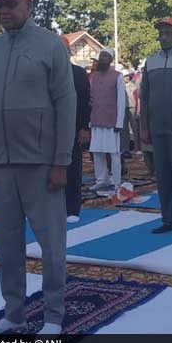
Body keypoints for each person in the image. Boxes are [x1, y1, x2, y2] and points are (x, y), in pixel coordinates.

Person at [0, 0, 76, 335]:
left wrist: (62, 161)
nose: (3, 10)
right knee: (7, 246)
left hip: (41, 165)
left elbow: (66, 105)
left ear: (28, 6)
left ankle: (53, 317)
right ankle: (14, 314)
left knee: (52, 246)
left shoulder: (50, 46)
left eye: (11, 3)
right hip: (1, 166)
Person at [140, 17, 172, 237]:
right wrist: (144, 127)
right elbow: (145, 97)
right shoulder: (150, 62)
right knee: (162, 177)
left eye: (168, 33)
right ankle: (168, 219)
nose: (163, 37)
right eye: (160, 33)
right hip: (157, 129)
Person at [89, 48, 126, 196]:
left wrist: (119, 123)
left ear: (110, 60)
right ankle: (101, 180)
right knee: (97, 151)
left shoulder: (118, 76)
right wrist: (89, 121)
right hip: (96, 119)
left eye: (106, 56)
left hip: (112, 121)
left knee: (114, 153)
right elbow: (91, 99)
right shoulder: (94, 77)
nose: (103, 58)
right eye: (101, 56)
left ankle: (116, 181)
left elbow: (121, 101)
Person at [62, 37, 91, 223]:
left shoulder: (78, 74)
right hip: (50, 130)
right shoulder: (46, 74)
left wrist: (84, 127)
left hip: (73, 128)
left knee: (73, 169)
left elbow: (85, 103)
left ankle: (72, 209)